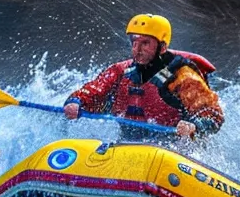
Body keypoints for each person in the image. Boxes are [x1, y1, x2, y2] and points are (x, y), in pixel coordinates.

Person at [64, 14, 225, 143]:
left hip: (172, 149)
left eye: (145, 43)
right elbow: (94, 90)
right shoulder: (120, 70)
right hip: (127, 145)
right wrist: (76, 102)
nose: (137, 49)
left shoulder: (183, 75)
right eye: (134, 42)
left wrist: (194, 126)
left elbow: (212, 114)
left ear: (162, 47)